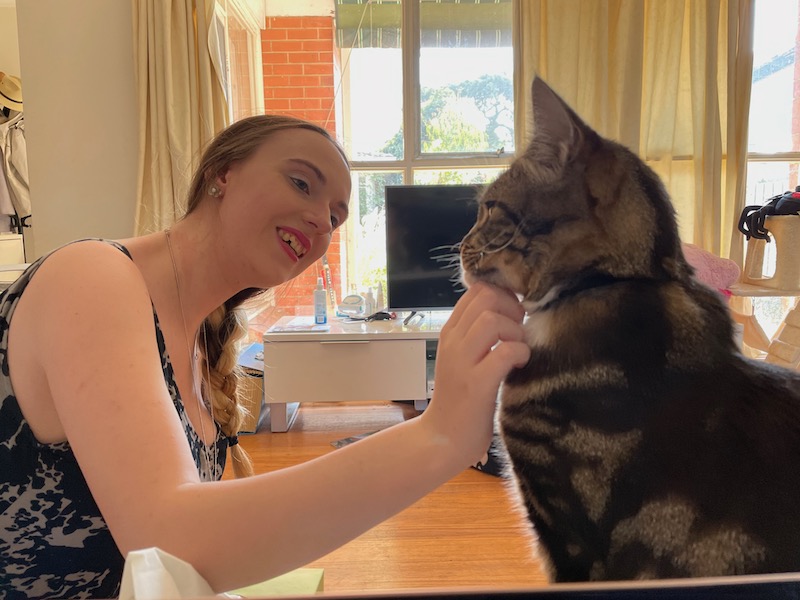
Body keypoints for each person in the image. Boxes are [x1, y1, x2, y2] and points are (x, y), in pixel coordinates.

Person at [0, 115, 530, 598]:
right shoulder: (92, 277)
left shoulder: (199, 352)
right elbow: (168, 544)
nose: (323, 221)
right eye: (302, 183)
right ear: (221, 174)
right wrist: (440, 434)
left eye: (337, 216)